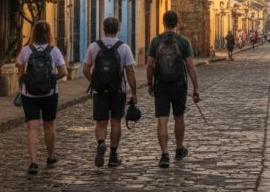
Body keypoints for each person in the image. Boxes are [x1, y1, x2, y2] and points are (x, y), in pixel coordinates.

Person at [147, 11, 201, 168]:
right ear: (176, 23)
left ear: (163, 22)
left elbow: (150, 65)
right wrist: (196, 88)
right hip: (179, 85)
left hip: (161, 85)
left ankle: (164, 155)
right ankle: (178, 148)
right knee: (179, 117)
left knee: (162, 120)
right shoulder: (183, 41)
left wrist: (150, 83)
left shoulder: (155, 41)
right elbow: (190, 65)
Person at [84, 17, 137, 168]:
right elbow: (131, 73)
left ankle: (101, 143)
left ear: (103, 28)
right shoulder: (124, 47)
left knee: (101, 122)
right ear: (118, 30)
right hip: (118, 90)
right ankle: (113, 156)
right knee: (116, 122)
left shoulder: (94, 46)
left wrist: (94, 82)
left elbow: (85, 69)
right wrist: (134, 93)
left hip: (99, 91)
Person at [16, 20, 68, 175]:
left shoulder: (26, 50)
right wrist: (52, 79)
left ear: (34, 33)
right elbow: (64, 72)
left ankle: (33, 162)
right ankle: (50, 156)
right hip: (49, 94)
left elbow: (19, 70)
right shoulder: (54, 51)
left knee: (32, 127)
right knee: (49, 125)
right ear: (49, 33)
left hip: (29, 94)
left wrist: (22, 85)